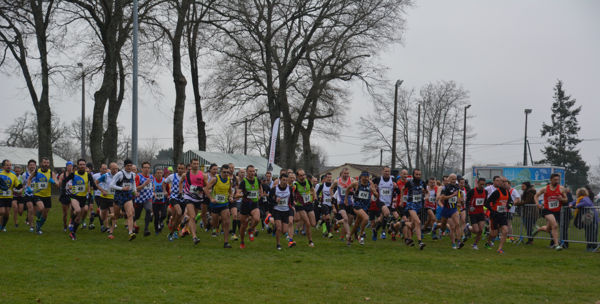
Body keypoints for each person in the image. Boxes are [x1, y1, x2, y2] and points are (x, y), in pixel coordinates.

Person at [63, 159, 97, 240]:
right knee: (77, 210)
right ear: (78, 165)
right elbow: (64, 181)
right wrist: (65, 189)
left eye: (83, 164)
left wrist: (94, 187)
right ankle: (71, 220)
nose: (82, 166)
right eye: (80, 164)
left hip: (83, 198)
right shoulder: (73, 174)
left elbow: (93, 184)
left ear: (85, 166)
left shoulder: (88, 175)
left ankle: (73, 233)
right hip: (74, 196)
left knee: (78, 218)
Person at [533, 173, 567, 251]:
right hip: (547, 210)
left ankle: (539, 229)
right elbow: (536, 196)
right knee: (555, 225)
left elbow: (566, 199)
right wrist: (537, 204)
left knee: (548, 229)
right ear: (551, 180)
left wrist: (561, 199)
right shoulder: (545, 188)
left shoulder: (561, 189)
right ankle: (557, 245)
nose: (557, 181)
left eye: (558, 180)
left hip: (557, 211)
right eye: (555, 180)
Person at [203, 164, 234, 248]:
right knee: (215, 223)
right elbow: (205, 189)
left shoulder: (229, 180)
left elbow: (230, 191)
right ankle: (210, 222)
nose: (226, 174)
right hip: (215, 204)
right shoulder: (215, 179)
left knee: (227, 221)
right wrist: (211, 198)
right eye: (224, 172)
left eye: (228, 172)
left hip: (224, 204)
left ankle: (226, 242)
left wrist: (231, 197)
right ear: (220, 172)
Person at [26, 157, 57, 234]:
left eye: (47, 163)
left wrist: (53, 182)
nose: (46, 164)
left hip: (47, 196)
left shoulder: (51, 173)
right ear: (41, 163)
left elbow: (58, 184)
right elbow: (29, 179)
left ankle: (38, 227)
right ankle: (37, 220)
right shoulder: (36, 171)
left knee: (45, 215)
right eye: (44, 163)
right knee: (41, 208)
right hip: (37, 194)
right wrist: (29, 187)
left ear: (49, 164)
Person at [110, 159, 138, 241]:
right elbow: (111, 185)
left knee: (130, 214)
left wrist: (135, 191)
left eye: (130, 166)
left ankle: (130, 233)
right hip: (119, 196)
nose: (129, 167)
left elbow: (133, 184)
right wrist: (122, 188)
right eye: (127, 166)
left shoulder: (133, 174)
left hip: (128, 196)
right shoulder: (120, 174)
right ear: (124, 166)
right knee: (116, 216)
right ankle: (110, 219)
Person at [236, 165, 264, 249]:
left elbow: (260, 189)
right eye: (250, 171)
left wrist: (260, 195)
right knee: (243, 225)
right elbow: (237, 194)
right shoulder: (243, 182)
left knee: (257, 219)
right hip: (245, 205)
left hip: (254, 204)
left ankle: (251, 229)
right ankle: (242, 241)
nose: (252, 173)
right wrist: (243, 194)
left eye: (253, 171)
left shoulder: (257, 180)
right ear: (247, 172)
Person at [485, 177, 513, 254]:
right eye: (503, 182)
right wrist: (492, 210)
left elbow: (511, 201)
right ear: (500, 183)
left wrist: (509, 206)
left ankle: (499, 249)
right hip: (495, 215)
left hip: (503, 215)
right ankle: (488, 242)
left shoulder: (507, 192)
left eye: (506, 182)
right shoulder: (496, 192)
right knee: (494, 234)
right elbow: (487, 203)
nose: (504, 183)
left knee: (505, 231)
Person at [179, 158, 204, 245]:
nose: (196, 165)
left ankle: (185, 220)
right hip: (188, 196)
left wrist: (202, 189)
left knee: (192, 217)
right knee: (193, 216)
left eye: (197, 163)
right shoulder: (185, 175)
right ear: (191, 164)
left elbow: (207, 187)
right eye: (194, 163)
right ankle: (194, 237)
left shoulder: (202, 175)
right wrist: (181, 191)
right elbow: (181, 182)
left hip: (198, 198)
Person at [401, 169, 427, 250]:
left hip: (418, 205)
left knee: (412, 225)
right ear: (413, 175)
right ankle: (420, 242)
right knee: (418, 222)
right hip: (411, 205)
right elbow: (402, 189)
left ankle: (404, 223)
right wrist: (402, 200)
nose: (418, 176)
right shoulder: (410, 182)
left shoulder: (422, 183)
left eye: (419, 174)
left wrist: (426, 196)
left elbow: (426, 191)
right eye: (417, 174)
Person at [346, 171, 373, 246]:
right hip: (357, 205)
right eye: (364, 177)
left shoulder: (370, 184)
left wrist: (375, 194)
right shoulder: (357, 184)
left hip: (365, 206)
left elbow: (374, 192)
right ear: (361, 177)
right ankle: (361, 235)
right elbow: (348, 188)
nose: (366, 178)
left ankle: (349, 237)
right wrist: (346, 199)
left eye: (367, 177)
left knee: (356, 224)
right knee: (366, 218)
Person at [370, 167, 398, 240]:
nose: (387, 173)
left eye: (388, 171)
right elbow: (370, 183)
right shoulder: (378, 179)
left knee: (380, 219)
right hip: (380, 201)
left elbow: (397, 191)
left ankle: (375, 230)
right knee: (387, 213)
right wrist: (374, 189)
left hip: (389, 202)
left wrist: (396, 187)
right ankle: (383, 231)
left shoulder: (393, 180)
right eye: (385, 171)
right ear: (382, 171)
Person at [269, 173, 294, 249]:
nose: (284, 182)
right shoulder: (274, 189)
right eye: (283, 180)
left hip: (286, 211)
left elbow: (291, 199)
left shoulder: (289, 189)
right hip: (277, 210)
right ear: (280, 180)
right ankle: (278, 244)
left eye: (286, 180)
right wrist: (275, 200)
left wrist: (292, 206)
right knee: (279, 228)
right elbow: (269, 199)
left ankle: (273, 224)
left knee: (284, 231)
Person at [292, 168, 317, 247]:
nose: (303, 177)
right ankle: (310, 241)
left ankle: (298, 219)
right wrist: (294, 202)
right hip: (300, 206)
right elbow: (291, 195)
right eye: (301, 175)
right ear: (297, 176)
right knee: (308, 224)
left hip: (309, 204)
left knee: (313, 224)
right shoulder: (295, 185)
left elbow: (312, 189)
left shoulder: (308, 182)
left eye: (304, 175)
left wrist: (314, 197)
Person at [569, 188, 598, 252]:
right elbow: (573, 202)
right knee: (590, 233)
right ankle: (591, 246)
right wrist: (571, 204)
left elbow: (586, 203)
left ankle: (592, 247)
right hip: (589, 218)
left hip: (591, 218)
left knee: (590, 233)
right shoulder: (580, 199)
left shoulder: (585, 199)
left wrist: (576, 206)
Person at [439, 174, 463, 249]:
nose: (454, 181)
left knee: (456, 225)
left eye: (455, 179)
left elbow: (459, 195)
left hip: (454, 209)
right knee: (443, 226)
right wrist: (452, 195)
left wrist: (459, 202)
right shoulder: (445, 187)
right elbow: (442, 198)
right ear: (449, 180)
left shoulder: (457, 187)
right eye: (452, 179)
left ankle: (457, 242)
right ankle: (438, 228)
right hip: (446, 209)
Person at [95, 162, 117, 238]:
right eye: (113, 169)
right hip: (104, 198)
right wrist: (102, 190)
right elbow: (96, 183)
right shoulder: (105, 176)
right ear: (110, 169)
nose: (115, 170)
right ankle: (100, 213)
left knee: (114, 215)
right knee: (103, 216)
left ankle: (111, 231)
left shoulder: (119, 176)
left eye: (116, 169)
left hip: (113, 198)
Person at [331, 168, 354, 241]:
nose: (346, 175)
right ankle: (348, 235)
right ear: (342, 173)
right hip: (341, 203)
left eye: (347, 173)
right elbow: (331, 188)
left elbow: (357, 186)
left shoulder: (352, 180)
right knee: (346, 219)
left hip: (350, 203)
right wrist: (333, 197)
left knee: (350, 220)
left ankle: (338, 221)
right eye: (345, 173)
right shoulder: (337, 181)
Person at [164, 163, 185, 241]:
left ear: (184, 169)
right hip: (174, 197)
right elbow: (164, 183)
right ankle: (173, 231)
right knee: (179, 213)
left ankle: (172, 233)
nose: (180, 170)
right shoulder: (172, 176)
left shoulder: (187, 177)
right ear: (177, 169)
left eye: (182, 168)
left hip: (183, 199)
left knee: (178, 218)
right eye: (179, 168)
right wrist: (164, 191)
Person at [134, 161, 154, 237]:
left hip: (148, 198)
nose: (147, 169)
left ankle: (146, 229)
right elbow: (135, 188)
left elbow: (152, 186)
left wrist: (153, 193)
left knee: (148, 210)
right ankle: (132, 224)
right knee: (137, 216)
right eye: (145, 167)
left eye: (148, 168)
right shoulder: (138, 176)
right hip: (139, 198)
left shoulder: (151, 177)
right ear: (142, 169)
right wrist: (144, 184)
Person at [466, 178, 488, 250]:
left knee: (481, 230)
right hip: (473, 213)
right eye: (481, 184)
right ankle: (468, 228)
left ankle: (475, 244)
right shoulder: (472, 191)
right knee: (476, 231)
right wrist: (469, 207)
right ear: (477, 183)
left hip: (481, 212)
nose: (482, 186)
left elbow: (485, 202)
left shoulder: (485, 192)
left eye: (483, 184)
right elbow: (467, 201)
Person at [0, 160, 20, 232]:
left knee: (7, 214)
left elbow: (17, 184)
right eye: (7, 165)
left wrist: (20, 188)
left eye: (10, 165)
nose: (9, 166)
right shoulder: (0, 173)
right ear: (3, 166)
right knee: (2, 211)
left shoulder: (13, 175)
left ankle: (3, 226)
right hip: (1, 197)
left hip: (9, 197)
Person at [315, 172, 334, 238]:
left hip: (331, 204)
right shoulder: (322, 185)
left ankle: (321, 225)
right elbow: (317, 193)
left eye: (330, 177)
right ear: (325, 178)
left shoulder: (333, 185)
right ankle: (329, 233)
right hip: (324, 204)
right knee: (327, 217)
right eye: (328, 177)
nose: (329, 179)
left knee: (325, 218)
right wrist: (317, 199)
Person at [58, 161, 74, 231]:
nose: (70, 167)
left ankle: (71, 223)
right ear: (66, 167)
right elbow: (59, 185)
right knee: (65, 213)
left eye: (71, 166)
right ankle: (65, 225)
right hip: (64, 195)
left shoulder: (75, 174)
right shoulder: (62, 175)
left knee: (72, 210)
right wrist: (62, 183)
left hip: (72, 195)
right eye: (68, 166)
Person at [152, 168, 168, 235]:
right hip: (155, 202)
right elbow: (151, 190)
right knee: (156, 216)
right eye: (157, 173)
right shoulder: (153, 181)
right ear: (155, 174)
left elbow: (168, 190)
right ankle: (157, 230)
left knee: (164, 215)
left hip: (163, 201)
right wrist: (153, 194)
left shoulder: (165, 181)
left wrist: (167, 193)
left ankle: (160, 221)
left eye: (160, 173)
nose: (159, 174)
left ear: (162, 174)